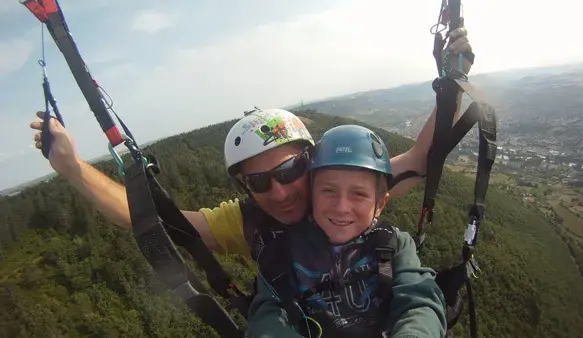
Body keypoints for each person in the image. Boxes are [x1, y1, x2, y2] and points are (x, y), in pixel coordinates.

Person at [28, 26, 473, 266]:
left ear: (312, 163)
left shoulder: (343, 188)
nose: (278, 191)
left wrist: (452, 81)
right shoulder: (248, 222)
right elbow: (152, 221)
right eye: (259, 181)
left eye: (288, 171)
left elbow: (421, 159)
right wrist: (72, 167)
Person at [246, 125, 446, 338]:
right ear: (311, 193)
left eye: (358, 194)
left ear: (380, 204)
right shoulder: (283, 255)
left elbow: (419, 303)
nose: (341, 207)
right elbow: (267, 317)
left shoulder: (393, 245)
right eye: (329, 191)